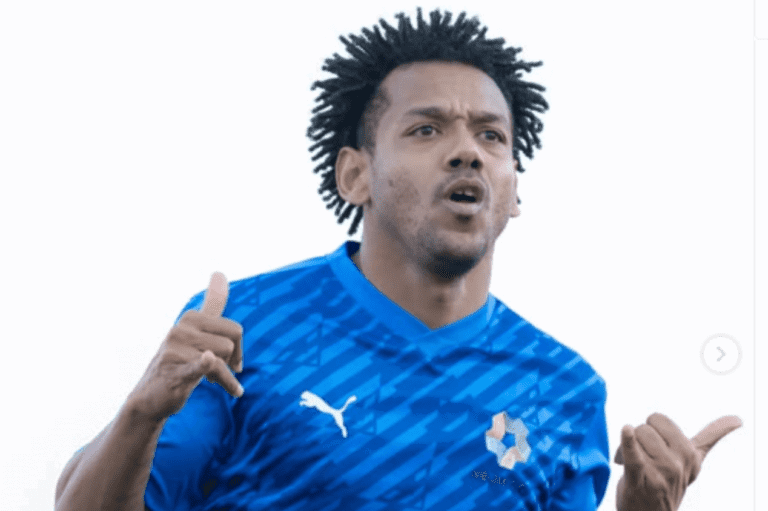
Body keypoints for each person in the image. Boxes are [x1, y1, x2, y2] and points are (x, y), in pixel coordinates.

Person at [54, 7, 742, 511]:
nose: (467, 150)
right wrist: (141, 413)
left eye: (492, 137)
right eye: (426, 128)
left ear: (513, 192)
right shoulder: (244, 326)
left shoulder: (565, 391)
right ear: (356, 175)